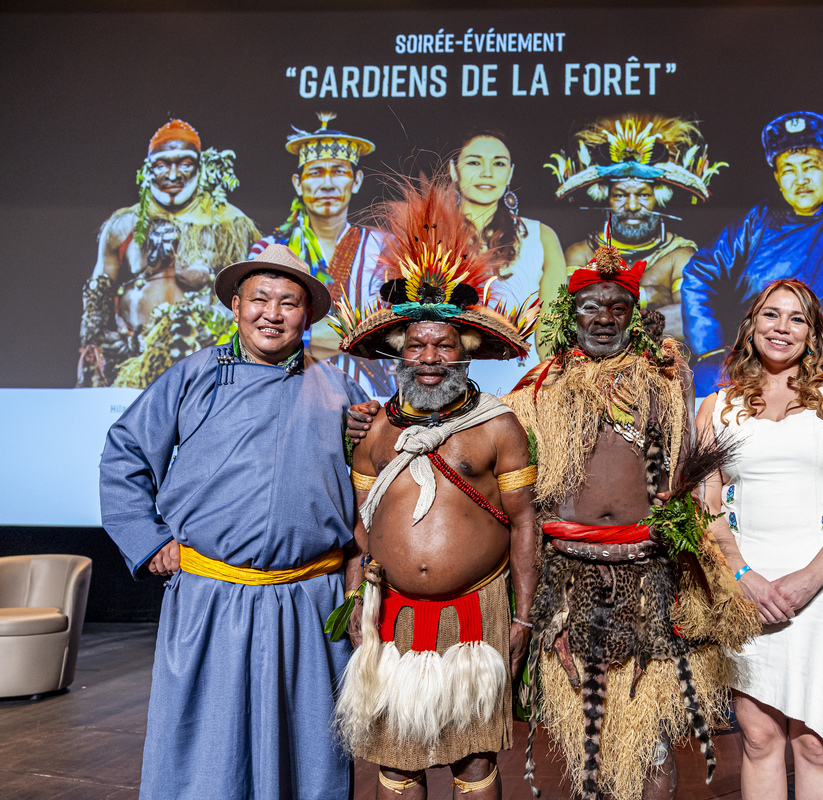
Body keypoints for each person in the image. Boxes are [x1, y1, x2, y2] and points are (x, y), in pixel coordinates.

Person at [99, 243, 368, 799]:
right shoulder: (193, 377)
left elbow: (374, 486)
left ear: (308, 315)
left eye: (289, 302)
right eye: (260, 299)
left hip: (309, 602)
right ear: (236, 306)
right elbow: (124, 454)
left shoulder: (339, 390)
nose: (272, 313)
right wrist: (148, 541)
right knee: (206, 752)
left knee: (310, 750)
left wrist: (361, 569)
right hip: (212, 598)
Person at [502, 246, 758, 800]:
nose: (602, 319)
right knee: (585, 741)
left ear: (636, 318)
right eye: (590, 307)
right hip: (568, 580)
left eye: (617, 308)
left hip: (650, 577)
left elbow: (687, 470)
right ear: (570, 317)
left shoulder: (665, 381)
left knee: (652, 744)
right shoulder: (536, 391)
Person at [327, 180, 539, 799]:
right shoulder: (374, 432)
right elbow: (361, 531)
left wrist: (523, 616)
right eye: (415, 343)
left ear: (464, 352)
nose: (428, 356)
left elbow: (525, 522)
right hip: (392, 620)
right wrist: (357, 608)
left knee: (474, 765)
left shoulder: (498, 426)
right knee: (397, 765)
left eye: (442, 343)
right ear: (397, 352)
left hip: (477, 616)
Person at [697, 279, 823, 800]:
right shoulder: (717, 406)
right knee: (758, 737)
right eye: (770, 315)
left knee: (817, 745)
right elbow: (705, 506)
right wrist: (742, 577)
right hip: (745, 589)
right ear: (751, 326)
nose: (782, 327)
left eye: (796, 318)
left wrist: (808, 579)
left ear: (813, 332)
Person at [681, 110, 823, 396]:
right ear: (777, 179)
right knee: (704, 383)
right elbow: (699, 274)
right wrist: (710, 348)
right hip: (755, 357)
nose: (800, 179)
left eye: (810, 166)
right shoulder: (756, 222)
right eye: (789, 170)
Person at [79, 119, 259, 388]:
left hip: (207, 369)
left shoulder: (230, 224)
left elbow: (252, 297)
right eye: (163, 165)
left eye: (184, 164)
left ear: (200, 166)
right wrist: (98, 346)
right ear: (148, 169)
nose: (173, 175)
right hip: (131, 365)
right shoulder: (123, 225)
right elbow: (98, 296)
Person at [250, 112, 395, 396]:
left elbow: (400, 327)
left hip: (368, 397)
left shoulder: (385, 247)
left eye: (339, 171)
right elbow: (251, 325)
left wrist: (312, 336)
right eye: (315, 172)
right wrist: (329, 336)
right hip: (283, 389)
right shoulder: (268, 249)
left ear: (356, 180)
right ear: (298, 183)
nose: (327, 184)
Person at [547, 114, 726, 339]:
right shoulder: (581, 253)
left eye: (643, 195)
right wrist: (648, 302)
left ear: (658, 198)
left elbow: (687, 320)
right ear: (606, 199)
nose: (632, 205)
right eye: (620, 195)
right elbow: (567, 320)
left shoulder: (679, 255)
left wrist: (605, 315)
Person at [450, 128, 566, 390]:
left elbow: (550, 330)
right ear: (453, 170)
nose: (487, 173)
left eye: (499, 163)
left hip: (520, 386)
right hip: (447, 386)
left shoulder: (541, 236)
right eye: (474, 162)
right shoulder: (431, 233)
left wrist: (549, 391)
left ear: (510, 172)